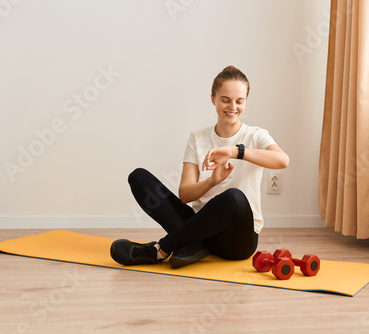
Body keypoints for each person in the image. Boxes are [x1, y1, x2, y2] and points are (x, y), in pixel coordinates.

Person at [110, 65, 289, 269]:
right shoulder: (198, 138)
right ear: (213, 99)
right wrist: (212, 181)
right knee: (139, 177)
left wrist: (235, 151)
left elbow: (282, 160)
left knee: (234, 197)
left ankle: (159, 250)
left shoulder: (256, 135)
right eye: (225, 99)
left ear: (245, 101)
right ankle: (193, 246)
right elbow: (185, 195)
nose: (233, 107)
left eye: (239, 101)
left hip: (237, 241)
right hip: (200, 231)